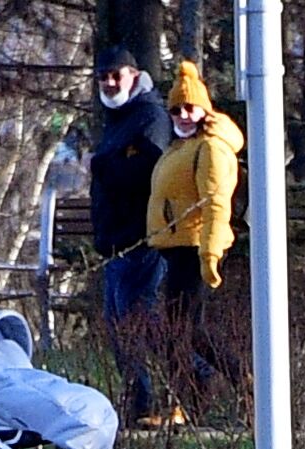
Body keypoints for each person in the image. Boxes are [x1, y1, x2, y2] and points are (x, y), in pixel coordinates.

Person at [146, 60, 245, 421]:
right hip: (176, 249)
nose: (183, 114)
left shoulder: (211, 148)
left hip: (195, 248)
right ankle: (190, 400)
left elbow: (216, 202)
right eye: (176, 109)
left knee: (189, 329)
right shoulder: (181, 146)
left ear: (205, 108)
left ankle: (239, 382)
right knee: (178, 330)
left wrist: (211, 252)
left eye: (190, 107)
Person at [90, 46, 172, 427]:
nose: (109, 82)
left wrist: (107, 165)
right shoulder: (117, 119)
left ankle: (180, 390)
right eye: (103, 77)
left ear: (134, 76)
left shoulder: (150, 116)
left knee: (139, 323)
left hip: (142, 238)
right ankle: (140, 402)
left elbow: (147, 173)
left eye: (115, 75)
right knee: (118, 325)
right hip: (116, 240)